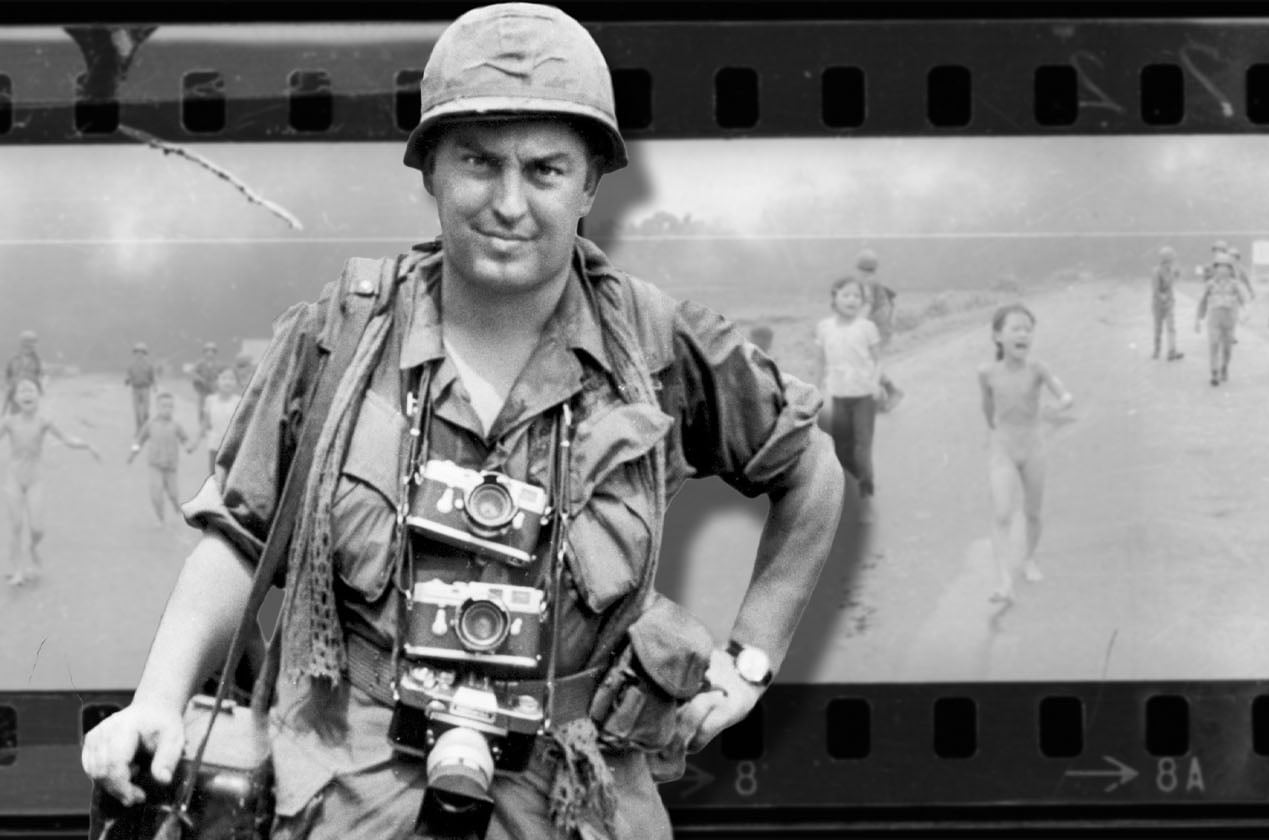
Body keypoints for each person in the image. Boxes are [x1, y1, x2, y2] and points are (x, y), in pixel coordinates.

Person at [81, 5, 846, 839]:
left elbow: (809, 472)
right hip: (354, 789)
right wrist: (155, 702)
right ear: (431, 172)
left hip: (574, 796)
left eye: (545, 169)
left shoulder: (657, 345)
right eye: (478, 162)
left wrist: (751, 662)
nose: (509, 203)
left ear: (592, 182)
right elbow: (238, 535)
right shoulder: (338, 337)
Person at [0, 377, 101, 585]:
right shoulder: (9, 422)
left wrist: (88, 445)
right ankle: (17, 570)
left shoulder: (44, 421)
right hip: (13, 477)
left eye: (31, 391)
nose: (27, 394)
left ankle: (32, 548)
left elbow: (68, 439)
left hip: (35, 478)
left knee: (38, 529)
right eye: (22, 391)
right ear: (15, 398)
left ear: (38, 397)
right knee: (16, 525)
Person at [978, 305, 1073, 604]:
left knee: (1032, 512)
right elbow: (987, 406)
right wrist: (993, 433)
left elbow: (1064, 394)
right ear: (998, 336)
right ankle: (1004, 581)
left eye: (1028, 329)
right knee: (1002, 513)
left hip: (1033, 447)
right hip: (1003, 448)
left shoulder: (1038, 369)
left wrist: (1061, 404)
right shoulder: (986, 372)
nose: (1023, 334)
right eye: (1015, 328)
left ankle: (1029, 557)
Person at [814, 276, 882, 504]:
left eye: (857, 296)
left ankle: (865, 496)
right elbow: (820, 362)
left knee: (862, 447)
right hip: (838, 395)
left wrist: (876, 384)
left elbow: (877, 360)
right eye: (847, 294)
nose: (852, 299)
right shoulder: (824, 328)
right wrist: (816, 390)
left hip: (864, 395)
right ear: (835, 297)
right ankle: (849, 495)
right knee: (842, 447)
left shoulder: (867, 328)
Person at [128, 391, 199, 525]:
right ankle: (161, 518)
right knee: (156, 494)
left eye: (170, 406)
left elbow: (185, 439)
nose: (167, 409)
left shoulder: (176, 425)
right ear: (157, 407)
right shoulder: (150, 425)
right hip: (155, 465)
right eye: (164, 406)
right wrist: (132, 454)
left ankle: (176, 506)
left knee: (173, 493)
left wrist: (189, 447)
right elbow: (139, 441)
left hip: (171, 466)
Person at [854, 248, 905, 412]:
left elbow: (868, 304)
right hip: (881, 328)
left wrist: (856, 323)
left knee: (868, 363)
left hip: (878, 330)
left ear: (859, 268)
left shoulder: (867, 282)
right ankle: (879, 398)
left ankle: (891, 391)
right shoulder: (874, 280)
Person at [1195, 252, 1246, 387]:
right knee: (1214, 344)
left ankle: (1224, 366)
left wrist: (1245, 313)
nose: (1222, 270)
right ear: (1215, 268)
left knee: (1227, 349)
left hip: (1229, 320)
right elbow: (1202, 301)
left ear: (1230, 269)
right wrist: (1198, 320)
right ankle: (1214, 372)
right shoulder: (1210, 284)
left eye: (1226, 267)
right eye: (1219, 267)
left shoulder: (1235, 285)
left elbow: (1243, 300)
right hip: (1214, 319)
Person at [197, 367, 243, 474]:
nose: (227, 381)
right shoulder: (210, 400)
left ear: (236, 383)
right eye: (224, 378)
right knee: (214, 477)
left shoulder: (240, 402)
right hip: (214, 446)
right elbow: (205, 422)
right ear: (217, 381)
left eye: (231, 378)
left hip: (233, 448)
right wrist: (195, 442)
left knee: (231, 478)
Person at [1149, 246, 1185, 361]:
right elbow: (1155, 289)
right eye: (1171, 260)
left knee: (1171, 327)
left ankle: (1172, 351)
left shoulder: (1171, 270)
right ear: (1165, 260)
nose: (1172, 262)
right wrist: (1162, 298)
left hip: (1169, 303)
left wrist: (1177, 273)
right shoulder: (1156, 271)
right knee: (1158, 328)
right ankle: (1156, 351)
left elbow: (1176, 279)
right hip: (1158, 304)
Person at [3, 330, 44, 416]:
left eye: (31, 346)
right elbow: (7, 375)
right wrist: (8, 386)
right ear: (21, 345)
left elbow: (40, 376)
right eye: (26, 345)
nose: (28, 348)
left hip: (30, 394)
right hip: (16, 394)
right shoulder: (13, 359)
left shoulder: (37, 360)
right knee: (15, 419)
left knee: (30, 419)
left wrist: (39, 387)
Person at [125, 341, 157, 431]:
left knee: (146, 412)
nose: (139, 354)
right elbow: (128, 375)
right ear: (134, 353)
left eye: (142, 352)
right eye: (137, 352)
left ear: (145, 353)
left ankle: (145, 429)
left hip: (145, 389)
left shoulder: (149, 365)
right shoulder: (131, 365)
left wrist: (154, 386)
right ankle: (139, 429)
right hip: (135, 389)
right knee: (137, 412)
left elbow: (153, 377)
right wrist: (127, 380)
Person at [192, 341, 223, 429]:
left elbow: (221, 375)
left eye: (212, 351)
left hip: (213, 390)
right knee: (202, 408)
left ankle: (212, 425)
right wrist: (200, 379)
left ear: (215, 353)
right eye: (207, 351)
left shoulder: (218, 364)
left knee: (213, 407)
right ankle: (202, 425)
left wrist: (217, 382)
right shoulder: (200, 363)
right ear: (204, 353)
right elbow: (194, 373)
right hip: (203, 390)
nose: (210, 354)